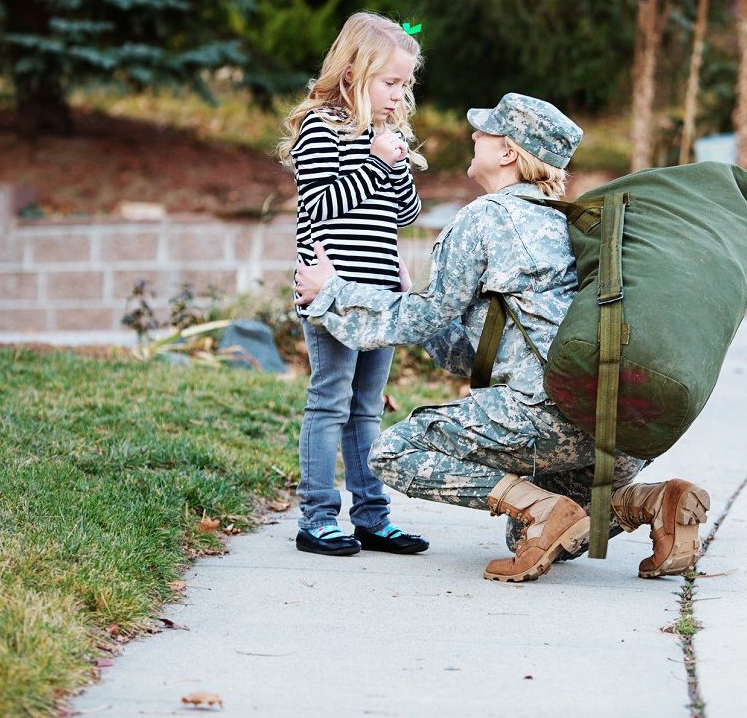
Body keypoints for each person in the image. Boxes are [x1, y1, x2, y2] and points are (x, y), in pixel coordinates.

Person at [295, 93, 710, 582]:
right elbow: (468, 354)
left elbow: (415, 321)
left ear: (509, 152)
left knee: (392, 451)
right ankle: (651, 501)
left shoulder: (483, 219)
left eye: (486, 131)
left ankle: (540, 506)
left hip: (541, 414)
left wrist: (332, 292)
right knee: (534, 536)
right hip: (615, 423)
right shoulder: (571, 222)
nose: (474, 135)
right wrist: (419, 302)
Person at [276, 12, 430, 557]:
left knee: (367, 407)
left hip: (380, 296)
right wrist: (371, 163)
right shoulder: (323, 127)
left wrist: (396, 164)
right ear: (353, 73)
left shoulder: (385, 136)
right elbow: (319, 209)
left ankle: (371, 515)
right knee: (330, 401)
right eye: (389, 82)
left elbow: (403, 213)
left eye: (404, 84)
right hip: (332, 293)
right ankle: (317, 517)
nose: (398, 94)